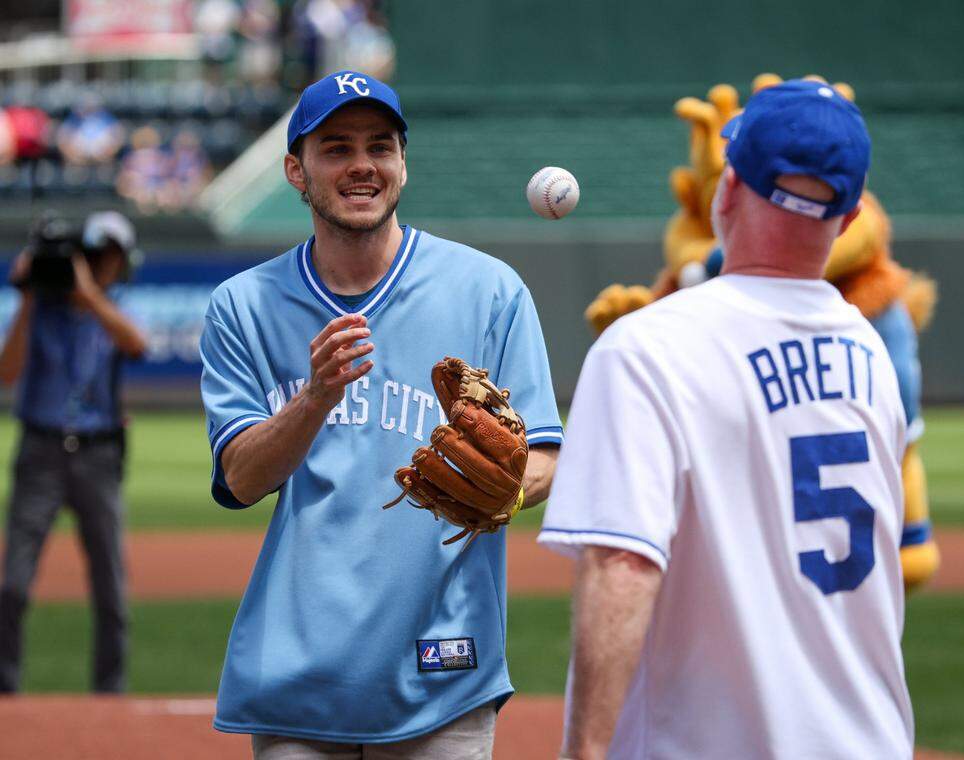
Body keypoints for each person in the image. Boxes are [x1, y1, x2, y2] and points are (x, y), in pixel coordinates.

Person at [538, 80, 914, 759]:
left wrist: (585, 752)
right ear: (852, 215)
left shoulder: (645, 347)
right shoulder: (871, 351)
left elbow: (622, 564)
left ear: (729, 187)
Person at [198, 70, 562, 758]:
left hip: (444, 668)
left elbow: (544, 456)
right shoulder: (241, 307)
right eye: (335, 148)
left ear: (402, 165)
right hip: (297, 674)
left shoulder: (489, 291)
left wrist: (507, 489)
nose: (361, 164)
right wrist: (313, 400)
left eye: (380, 146)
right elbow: (240, 480)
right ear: (295, 172)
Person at [0, 211, 148, 693]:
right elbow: (7, 373)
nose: (102, 263)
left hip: (98, 454)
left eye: (110, 255)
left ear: (121, 261)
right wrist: (25, 298)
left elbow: (137, 344)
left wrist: (90, 297)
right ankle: (5, 690)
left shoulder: (119, 307)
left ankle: (111, 696)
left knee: (111, 589)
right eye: (93, 254)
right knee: (14, 586)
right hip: (40, 449)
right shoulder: (40, 307)